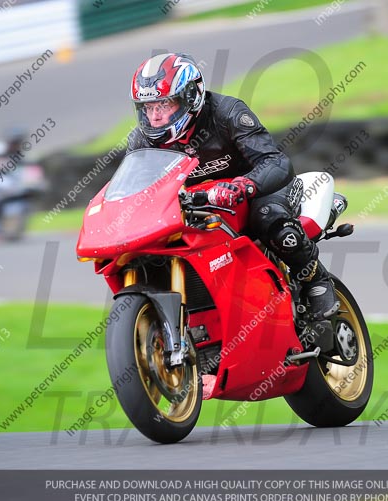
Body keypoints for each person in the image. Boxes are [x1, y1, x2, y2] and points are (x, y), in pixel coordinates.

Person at [126, 52, 338, 320]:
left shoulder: (227, 113)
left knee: (271, 220)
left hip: (256, 191)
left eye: (164, 105)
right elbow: (135, 190)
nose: (155, 117)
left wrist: (244, 186)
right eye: (148, 107)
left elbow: (276, 162)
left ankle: (315, 279)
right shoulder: (141, 141)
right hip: (196, 206)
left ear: (190, 97)